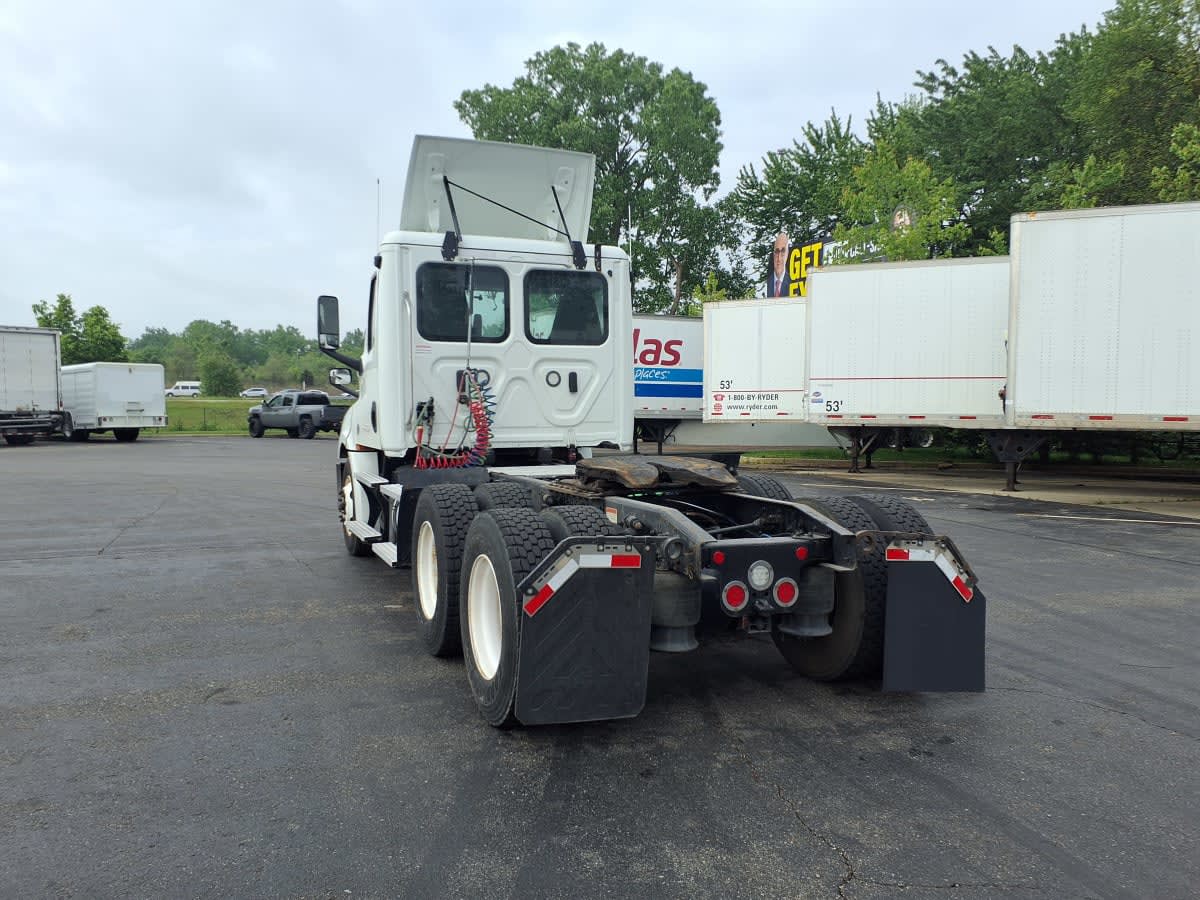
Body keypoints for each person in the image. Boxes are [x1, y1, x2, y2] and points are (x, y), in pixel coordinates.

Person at [768, 232, 790, 297]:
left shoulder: (792, 282)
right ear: (773, 254)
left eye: (783, 251)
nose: (779, 258)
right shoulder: (768, 282)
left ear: (787, 254)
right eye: (777, 252)